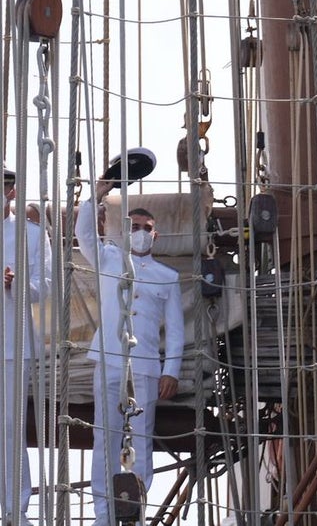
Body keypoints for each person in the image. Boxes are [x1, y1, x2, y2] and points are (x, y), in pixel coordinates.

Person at [77, 177, 185, 526]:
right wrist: (96, 196)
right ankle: (103, 515)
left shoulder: (167, 277)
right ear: (126, 231)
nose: (139, 231)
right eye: (134, 226)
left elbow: (176, 329)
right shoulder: (109, 258)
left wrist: (172, 370)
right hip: (108, 359)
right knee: (104, 436)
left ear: (155, 235)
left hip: (145, 365)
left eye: (146, 228)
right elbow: (84, 234)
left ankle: (134, 513)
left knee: (141, 439)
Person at [1, 168, 50, 526]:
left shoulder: (31, 235)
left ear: (12, 190)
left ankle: (15, 509)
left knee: (10, 426)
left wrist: (17, 284)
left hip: (13, 343)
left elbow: (46, 285)